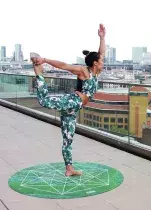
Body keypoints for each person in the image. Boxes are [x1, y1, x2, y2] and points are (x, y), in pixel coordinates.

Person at [30, 24, 106, 176]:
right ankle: (38, 72)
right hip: (72, 102)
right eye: (101, 61)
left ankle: (69, 168)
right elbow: (64, 65)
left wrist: (102, 37)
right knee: (44, 101)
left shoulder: (96, 73)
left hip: (73, 109)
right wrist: (44, 59)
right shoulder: (84, 71)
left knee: (68, 137)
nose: (103, 62)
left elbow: (101, 53)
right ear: (95, 63)